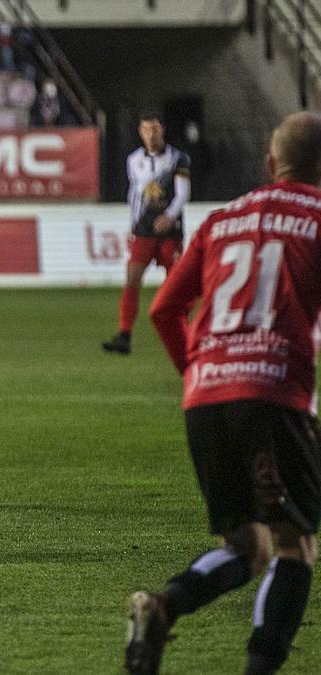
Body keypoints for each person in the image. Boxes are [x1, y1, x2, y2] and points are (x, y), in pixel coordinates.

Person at [129, 111, 321, 675]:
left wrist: (196, 373)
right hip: (271, 395)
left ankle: (162, 609)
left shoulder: (222, 220)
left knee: (248, 545)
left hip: (206, 395)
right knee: (293, 546)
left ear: (269, 163)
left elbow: (164, 309)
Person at [102, 114, 191, 355]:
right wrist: (133, 222)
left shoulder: (177, 158)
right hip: (143, 228)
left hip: (169, 230)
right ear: (140, 132)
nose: (150, 135)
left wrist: (169, 216)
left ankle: (187, 333)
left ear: (162, 130)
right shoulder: (134, 160)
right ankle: (124, 335)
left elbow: (183, 193)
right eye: (145, 130)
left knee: (176, 284)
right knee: (132, 278)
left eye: (154, 130)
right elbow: (134, 193)